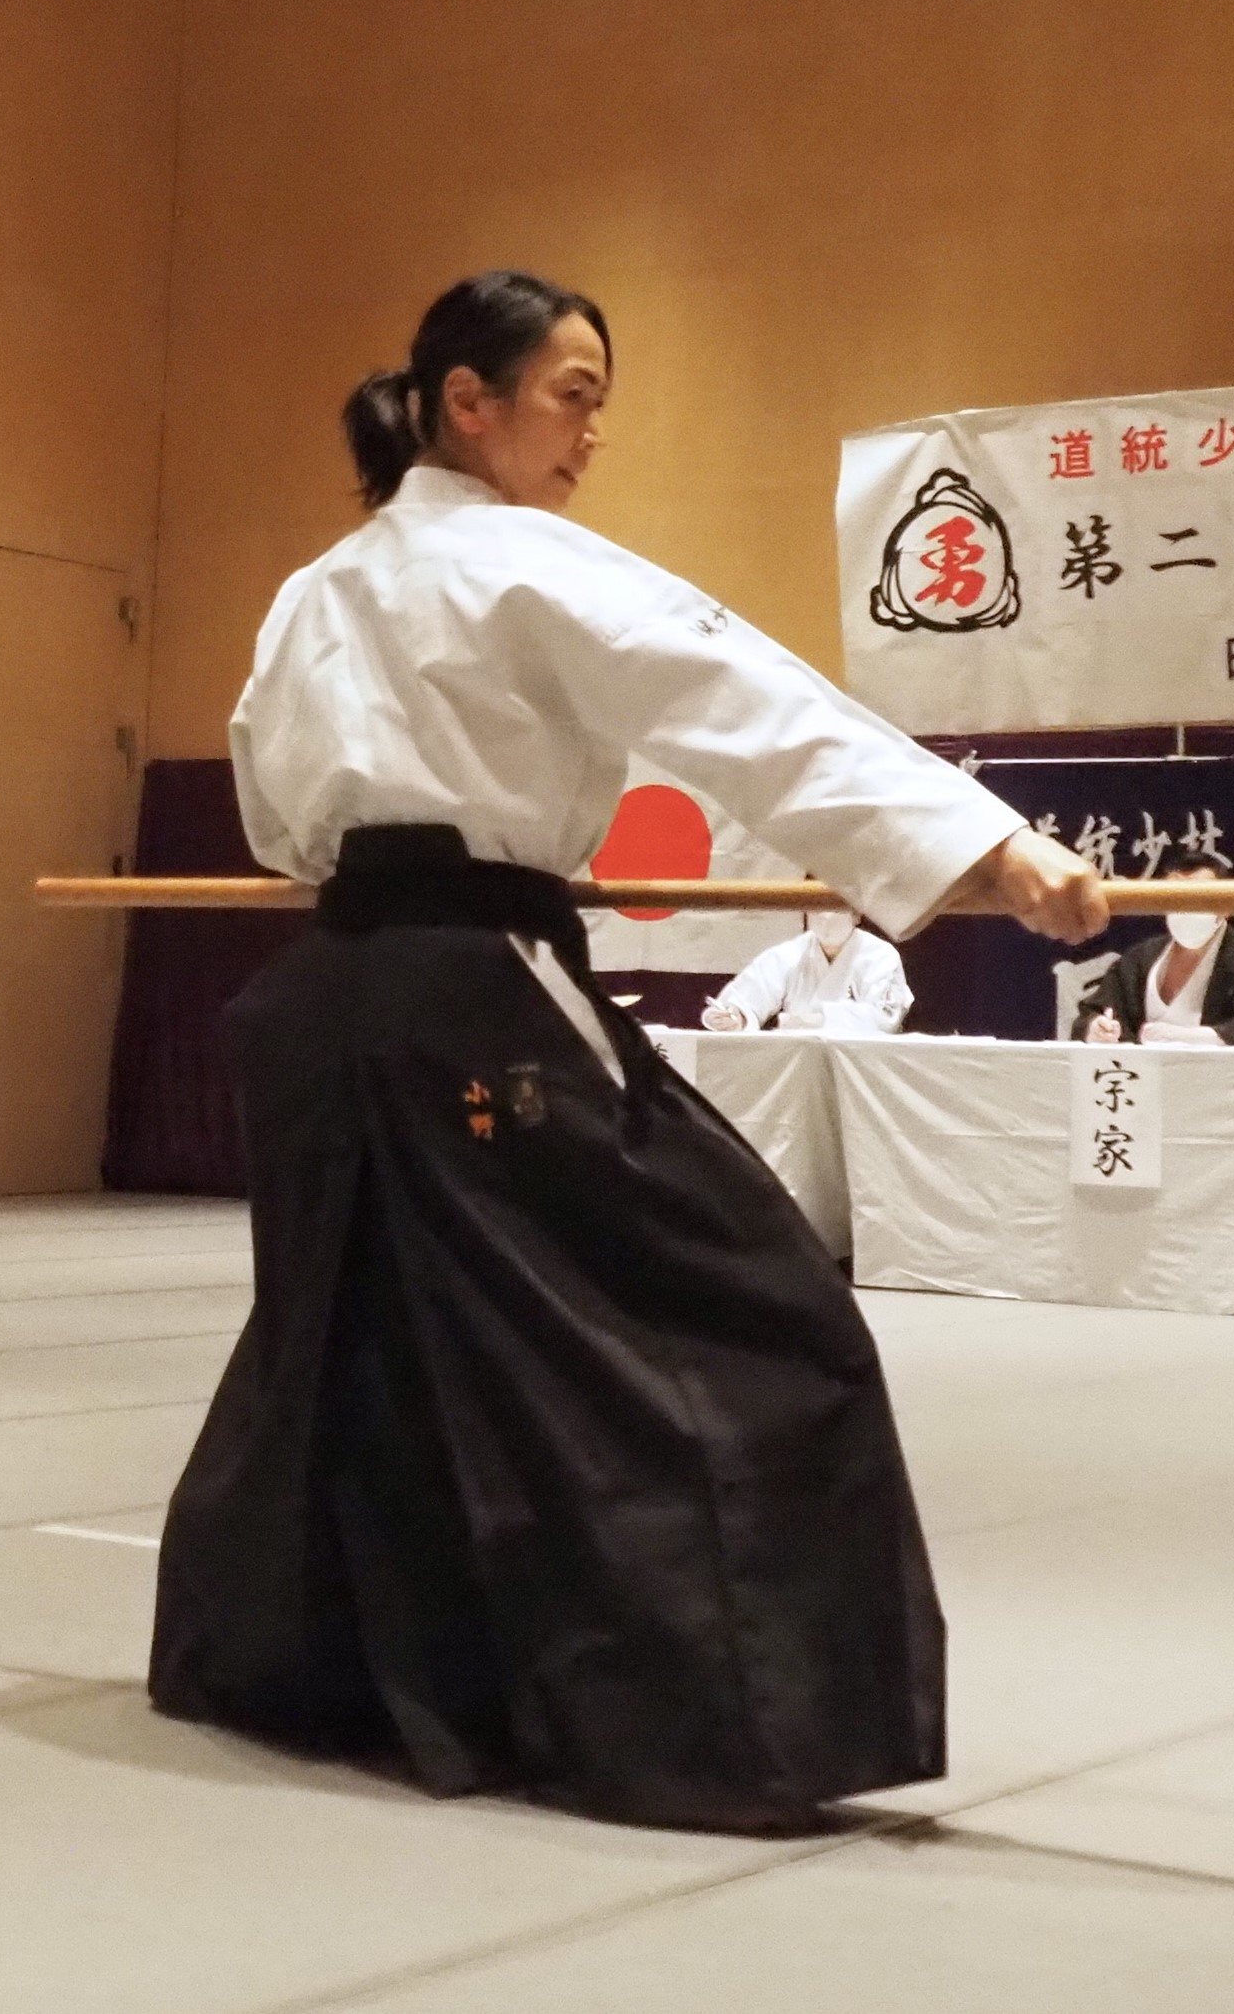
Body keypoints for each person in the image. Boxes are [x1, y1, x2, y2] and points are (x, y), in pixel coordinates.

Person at [158, 271, 1105, 1835]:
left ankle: (338, 1672)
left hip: (328, 1004)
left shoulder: (315, 590)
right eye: (571, 393)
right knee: (748, 1303)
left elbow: (274, 814)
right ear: (467, 402)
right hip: (473, 992)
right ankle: (712, 1711)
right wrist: (988, 849)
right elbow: (742, 701)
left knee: (369, 1331)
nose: (590, 432)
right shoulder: (526, 562)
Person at [1078, 869, 1234, 1047]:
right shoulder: (1140, 958)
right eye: (1175, 899)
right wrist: (1097, 1029)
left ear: (1225, 906)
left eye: (1198, 899)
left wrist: (1197, 1038)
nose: (1186, 910)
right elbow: (1093, 1012)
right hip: (1150, 1082)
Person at [701, 906, 910, 1035]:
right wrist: (735, 1016)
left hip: (860, 1062)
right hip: (798, 1057)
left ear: (856, 914)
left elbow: (884, 1021)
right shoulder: (792, 953)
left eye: (836, 909)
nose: (826, 918)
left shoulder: (880, 956)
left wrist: (814, 1021)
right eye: (817, 908)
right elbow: (752, 992)